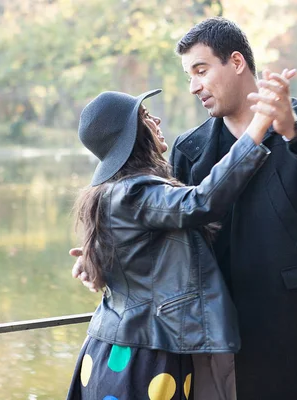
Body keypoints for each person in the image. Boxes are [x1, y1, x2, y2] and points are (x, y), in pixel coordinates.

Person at [73, 17, 297, 399]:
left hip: (295, 324)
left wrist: (294, 129)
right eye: (189, 75)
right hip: (212, 334)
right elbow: (163, 224)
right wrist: (103, 253)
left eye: (201, 70)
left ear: (236, 62)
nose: (194, 86)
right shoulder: (188, 147)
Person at [66, 86, 283, 400]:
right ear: (132, 135)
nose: (155, 120)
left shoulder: (108, 193)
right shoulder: (135, 192)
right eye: (144, 116)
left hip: (111, 349)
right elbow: (201, 201)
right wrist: (257, 129)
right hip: (144, 356)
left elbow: (134, 256)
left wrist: (92, 258)